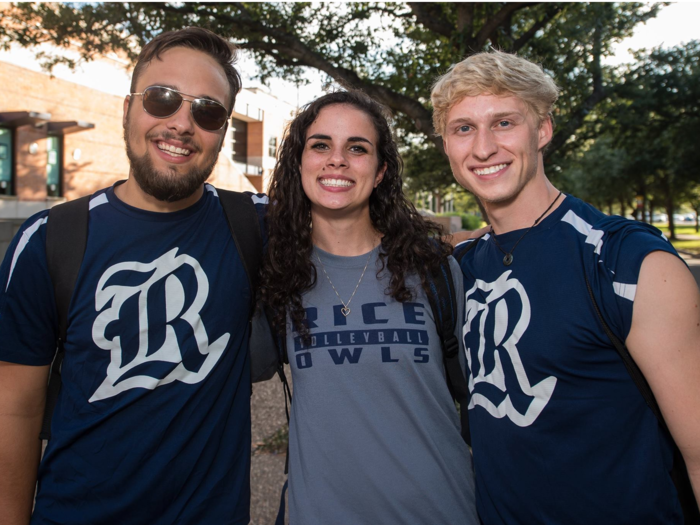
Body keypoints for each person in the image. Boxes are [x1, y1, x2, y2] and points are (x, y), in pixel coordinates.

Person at [0, 28, 257, 525]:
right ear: (127, 109)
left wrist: (453, 247)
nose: (181, 123)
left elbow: (358, 225)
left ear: (222, 131)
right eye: (162, 99)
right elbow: (14, 409)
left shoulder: (253, 224)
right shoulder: (48, 240)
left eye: (207, 111)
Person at [431, 50, 700, 524]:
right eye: (463, 129)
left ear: (544, 130)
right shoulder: (462, 268)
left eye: (505, 122)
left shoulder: (628, 262)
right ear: (447, 146)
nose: (484, 147)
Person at [261, 91, 478, 525]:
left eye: (356, 148)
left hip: (440, 511)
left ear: (379, 172)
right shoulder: (277, 276)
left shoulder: (434, 270)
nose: (336, 160)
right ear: (299, 162)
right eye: (320, 145)